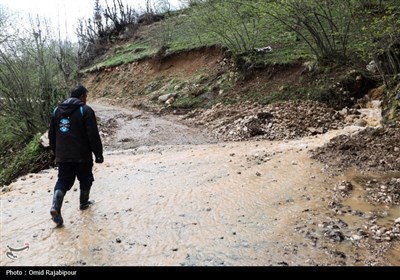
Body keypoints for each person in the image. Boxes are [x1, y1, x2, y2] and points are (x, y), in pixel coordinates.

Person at [48, 85, 103, 227]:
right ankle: (84, 203)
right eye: (86, 96)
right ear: (81, 97)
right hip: (82, 155)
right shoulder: (85, 110)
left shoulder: (57, 111)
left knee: (63, 181)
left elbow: (52, 135)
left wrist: (56, 153)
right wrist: (98, 154)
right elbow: (93, 135)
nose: (86, 99)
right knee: (86, 179)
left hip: (63, 155)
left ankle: (55, 206)